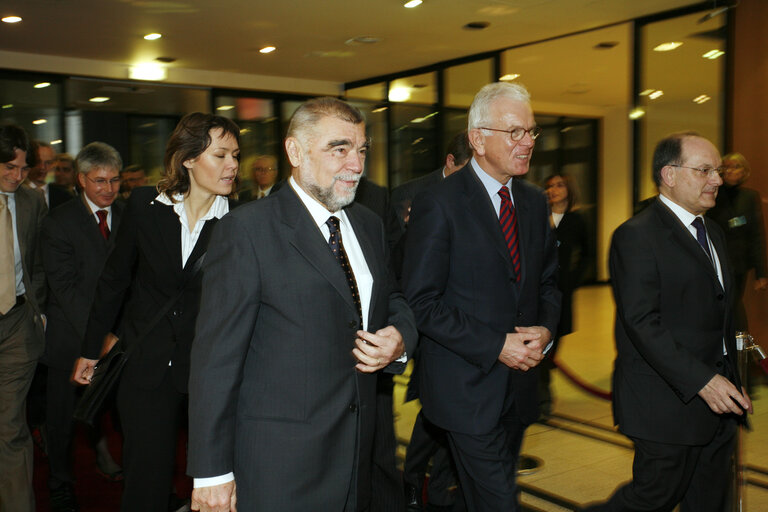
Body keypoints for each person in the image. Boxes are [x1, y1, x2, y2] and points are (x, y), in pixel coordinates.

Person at [187, 97, 418, 512]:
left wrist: (400, 336)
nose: (356, 164)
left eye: (362, 150)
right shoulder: (247, 231)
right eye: (339, 148)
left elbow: (393, 297)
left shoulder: (368, 223)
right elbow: (215, 361)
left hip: (360, 455)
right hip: (282, 467)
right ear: (295, 152)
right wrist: (212, 473)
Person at [402, 82, 561, 512]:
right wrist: (497, 345)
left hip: (520, 387)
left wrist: (544, 331)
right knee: (499, 501)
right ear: (478, 138)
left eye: (531, 131)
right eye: (515, 132)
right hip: (465, 389)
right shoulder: (439, 201)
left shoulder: (531, 201)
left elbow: (548, 283)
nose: (527, 142)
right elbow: (421, 301)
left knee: (482, 496)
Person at [72, 112, 241, 512]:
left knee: (218, 482)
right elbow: (113, 281)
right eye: (220, 155)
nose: (233, 164)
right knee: (145, 479)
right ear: (187, 158)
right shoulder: (145, 206)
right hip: (146, 365)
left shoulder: (240, 221)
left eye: (235, 154)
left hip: (210, 371)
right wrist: (90, 349)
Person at [585, 132, 752, 512]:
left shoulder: (713, 231)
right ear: (669, 175)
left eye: (718, 170)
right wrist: (702, 380)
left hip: (717, 400)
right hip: (664, 402)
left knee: (710, 499)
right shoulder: (636, 235)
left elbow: (721, 309)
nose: (718, 179)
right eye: (705, 170)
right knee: (653, 498)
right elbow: (642, 322)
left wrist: (733, 381)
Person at [41, 142, 125, 511]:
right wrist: (99, 335)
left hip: (121, 342)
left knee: (129, 418)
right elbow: (64, 290)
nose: (108, 189)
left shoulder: (129, 216)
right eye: (99, 181)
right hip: (70, 339)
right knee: (61, 424)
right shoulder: (60, 221)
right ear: (81, 180)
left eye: (115, 181)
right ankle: (61, 486)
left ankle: (143, 482)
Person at [397, 131, 471, 512]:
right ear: (450, 163)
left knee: (447, 411)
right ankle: (412, 482)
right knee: (433, 409)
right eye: (465, 170)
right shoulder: (410, 193)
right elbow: (397, 260)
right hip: (426, 317)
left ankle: (442, 487)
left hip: (462, 320)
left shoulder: (475, 197)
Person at [0, 124, 47, 512]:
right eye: (8, 167)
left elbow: (39, 265)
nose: (17, 176)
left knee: (10, 425)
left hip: (17, 321)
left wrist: (39, 310)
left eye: (22, 168)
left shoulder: (32, 203)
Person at [539, 173, 591, 416]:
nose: (553, 190)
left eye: (559, 185)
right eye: (549, 186)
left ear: (569, 190)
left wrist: (573, 278)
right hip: (536, 291)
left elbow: (589, 254)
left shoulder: (576, 220)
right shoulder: (538, 217)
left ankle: (543, 389)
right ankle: (541, 393)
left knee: (553, 342)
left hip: (561, 292)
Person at [707, 152, 767, 331]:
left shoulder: (750, 197)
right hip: (714, 259)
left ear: (744, 171)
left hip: (739, 263)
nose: (731, 171)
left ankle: (738, 347)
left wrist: (761, 272)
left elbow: (757, 235)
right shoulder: (713, 193)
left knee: (733, 305)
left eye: (736, 167)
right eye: (727, 167)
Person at [390, 131, 471, 229]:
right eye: (468, 171)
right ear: (450, 161)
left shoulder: (480, 196)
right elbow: (398, 241)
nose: (472, 178)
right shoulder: (409, 194)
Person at [24, 141, 72, 210]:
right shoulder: (16, 193)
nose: (42, 167)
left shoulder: (66, 197)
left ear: (54, 165)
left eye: (48, 163)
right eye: (38, 162)